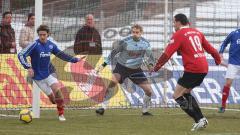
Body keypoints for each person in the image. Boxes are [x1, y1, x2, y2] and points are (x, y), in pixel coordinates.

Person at [153, 13, 221, 131]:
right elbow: (211, 49)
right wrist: (217, 59)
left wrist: (156, 67)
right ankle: (200, 119)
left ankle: (199, 119)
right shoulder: (197, 32)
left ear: (179, 22)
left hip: (193, 68)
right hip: (203, 67)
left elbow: (167, 54)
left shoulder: (178, 34)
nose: (173, 25)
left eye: (174, 22)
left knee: (176, 95)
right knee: (186, 93)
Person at [18, 24, 84, 121]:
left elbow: (61, 54)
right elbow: (21, 55)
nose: (42, 37)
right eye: (40, 35)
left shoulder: (51, 45)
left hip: (49, 72)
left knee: (57, 91)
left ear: (48, 34)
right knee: (53, 100)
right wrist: (28, 67)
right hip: (38, 77)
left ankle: (61, 114)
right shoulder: (34, 45)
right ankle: (57, 103)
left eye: (44, 34)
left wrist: (74, 60)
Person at [95, 24, 154, 116]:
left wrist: (150, 65)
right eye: (133, 32)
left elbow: (150, 57)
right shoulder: (125, 42)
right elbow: (113, 53)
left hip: (136, 70)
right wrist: (103, 65)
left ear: (141, 33)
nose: (135, 34)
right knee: (113, 81)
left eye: (137, 32)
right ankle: (102, 107)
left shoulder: (146, 44)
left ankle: (145, 111)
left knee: (149, 91)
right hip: (121, 67)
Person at [218, 28, 240, 113]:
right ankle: (223, 106)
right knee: (228, 84)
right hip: (233, 63)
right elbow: (224, 43)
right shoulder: (234, 33)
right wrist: (220, 53)